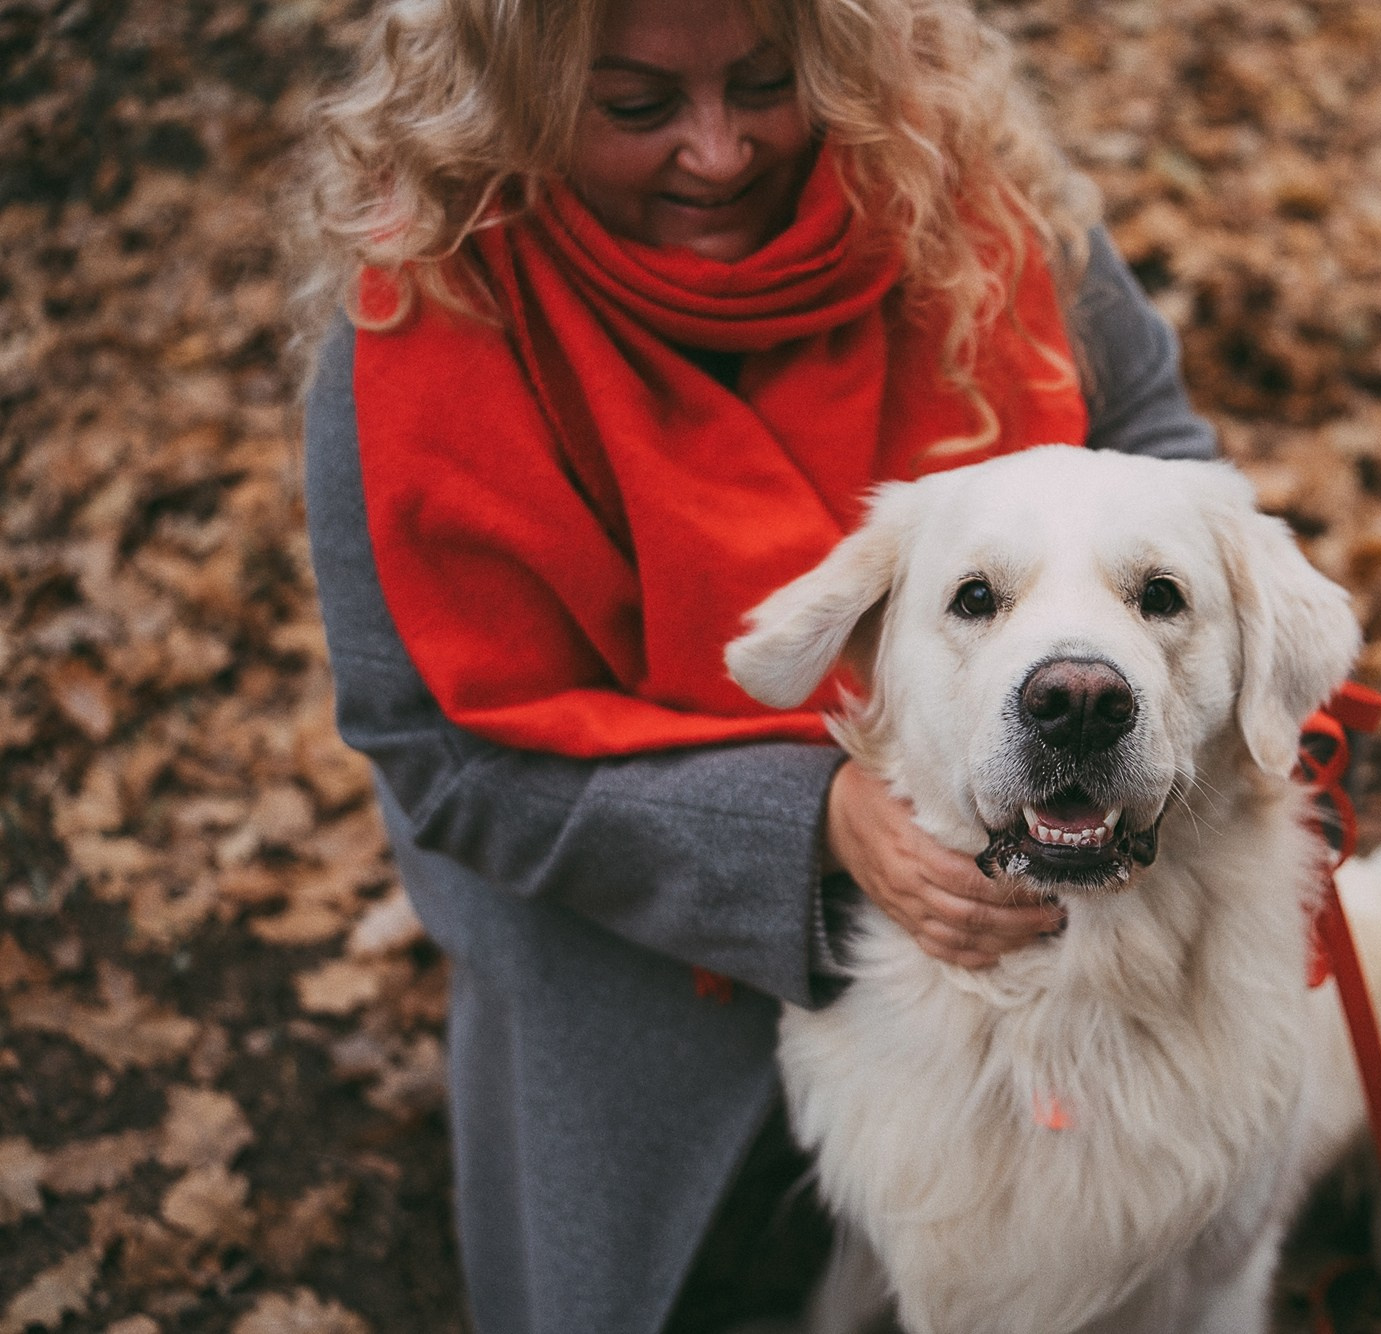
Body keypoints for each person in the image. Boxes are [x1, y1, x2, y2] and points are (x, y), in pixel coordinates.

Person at [296, 0, 1217, 1329]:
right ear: (505, 94)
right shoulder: (418, 307)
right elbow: (439, 758)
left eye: (768, 84)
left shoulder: (961, 193)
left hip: (1015, 800)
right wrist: (814, 823)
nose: (720, 153)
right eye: (636, 107)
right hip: (602, 868)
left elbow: (1157, 440)